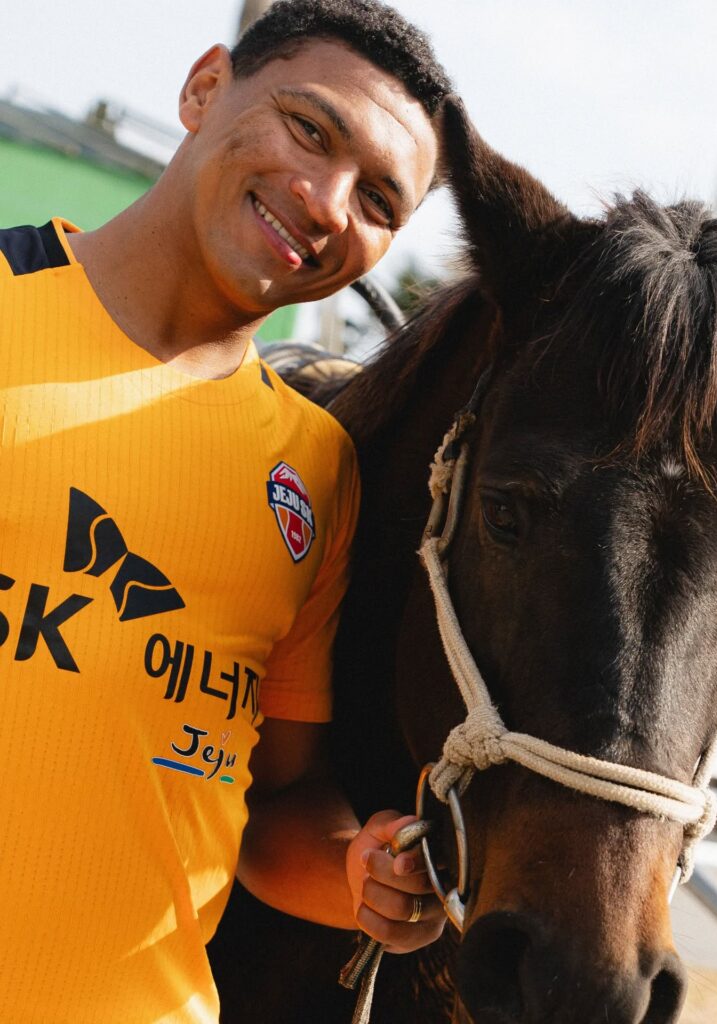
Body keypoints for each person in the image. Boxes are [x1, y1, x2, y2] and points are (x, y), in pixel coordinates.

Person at [0, 1, 451, 1020]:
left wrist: (358, 875)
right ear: (205, 88)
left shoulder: (315, 472)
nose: (328, 202)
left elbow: (273, 804)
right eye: (311, 129)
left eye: (380, 199)